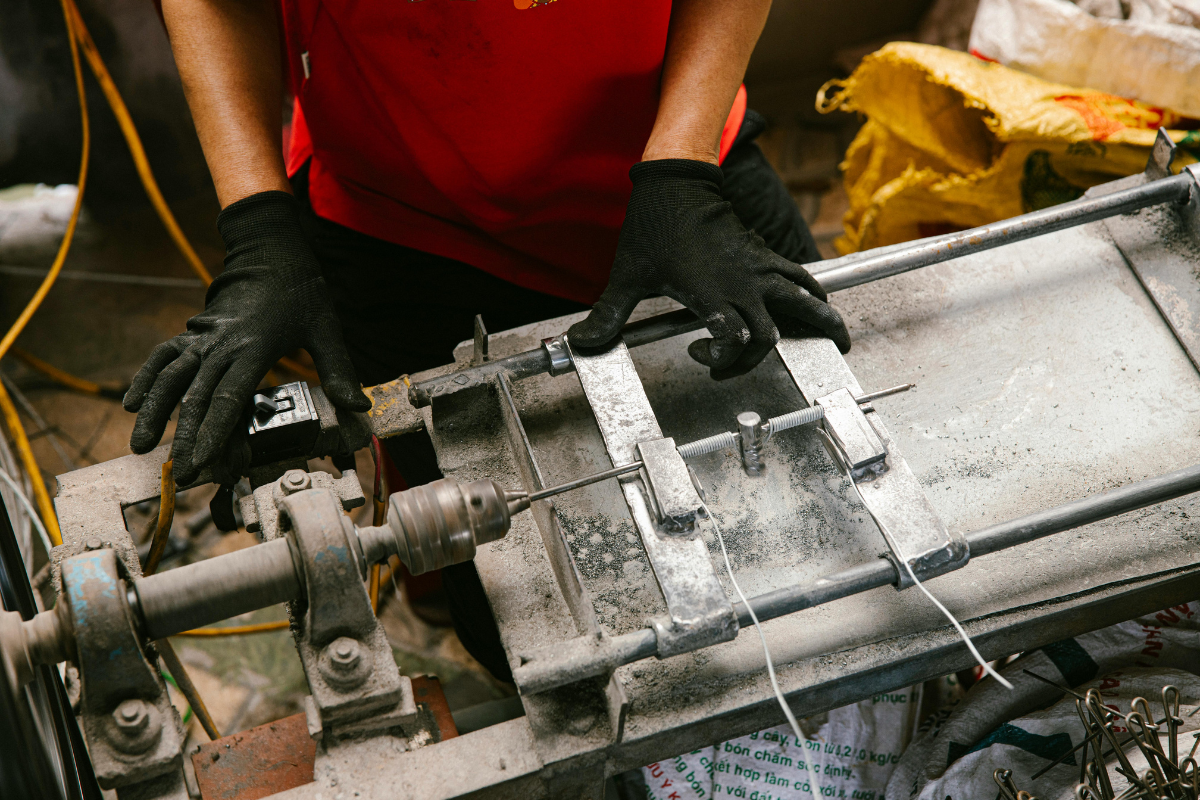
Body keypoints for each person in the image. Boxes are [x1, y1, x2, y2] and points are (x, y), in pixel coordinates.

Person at [124, 0, 851, 680]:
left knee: (834, 470)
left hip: (679, 178)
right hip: (406, 214)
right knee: (511, 613)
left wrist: (683, 170)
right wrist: (259, 231)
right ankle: (432, 599)